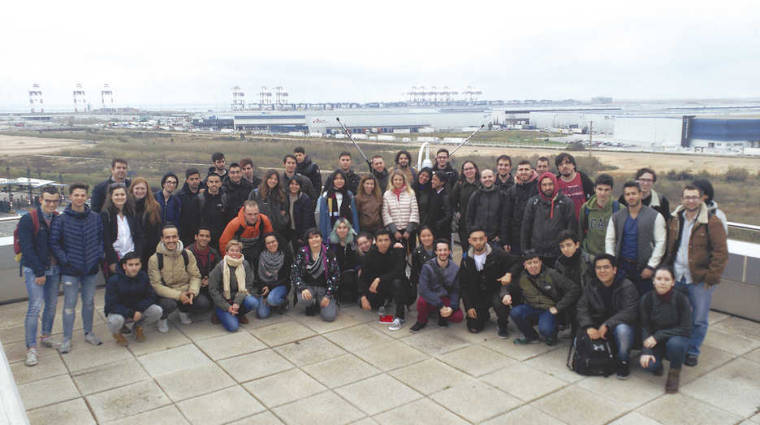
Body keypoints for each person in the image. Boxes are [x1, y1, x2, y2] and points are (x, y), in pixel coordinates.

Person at [664, 184, 728, 367]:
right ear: (682, 199)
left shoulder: (712, 221)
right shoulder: (676, 218)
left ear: (701, 199)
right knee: (676, 315)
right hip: (677, 276)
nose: (690, 200)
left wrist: (711, 278)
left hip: (699, 279)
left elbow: (721, 253)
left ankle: (692, 351)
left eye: (694, 197)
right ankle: (677, 348)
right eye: (687, 197)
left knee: (698, 318)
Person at [49, 183, 104, 353]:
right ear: (70, 197)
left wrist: (97, 256)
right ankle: (67, 338)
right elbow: (54, 242)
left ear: (86, 197)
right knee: (69, 305)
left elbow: (101, 239)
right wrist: (66, 260)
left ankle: (88, 332)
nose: (80, 198)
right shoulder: (61, 219)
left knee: (88, 303)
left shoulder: (95, 217)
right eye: (76, 195)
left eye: (82, 195)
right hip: (70, 270)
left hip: (90, 269)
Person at [576, 254, 639, 379]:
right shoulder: (592, 285)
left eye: (606, 267)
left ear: (614, 269)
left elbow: (630, 311)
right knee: (577, 341)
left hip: (618, 326)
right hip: (598, 325)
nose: (602, 271)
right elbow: (581, 307)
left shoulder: (627, 286)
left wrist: (608, 324)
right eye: (598, 268)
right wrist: (589, 326)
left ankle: (623, 361)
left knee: (623, 330)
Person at [19, 186, 61, 366]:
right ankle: (31, 348)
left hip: (54, 269)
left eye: (54, 201)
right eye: (47, 200)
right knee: (35, 307)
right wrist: (39, 271)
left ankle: (46, 336)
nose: (51, 204)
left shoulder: (58, 218)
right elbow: (27, 248)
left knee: (51, 306)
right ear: (40, 200)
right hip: (36, 270)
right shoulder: (28, 219)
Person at [605, 181, 667, 296]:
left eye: (633, 193)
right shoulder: (616, 216)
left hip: (644, 268)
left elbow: (661, 243)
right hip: (621, 267)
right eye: (627, 194)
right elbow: (610, 241)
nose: (631, 197)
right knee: (622, 300)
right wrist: (611, 263)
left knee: (644, 302)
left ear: (640, 194)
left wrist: (651, 266)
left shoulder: (655, 216)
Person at [507, 250, 579, 346]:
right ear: (524, 265)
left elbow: (574, 289)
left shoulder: (552, 274)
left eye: (536, 262)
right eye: (529, 263)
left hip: (549, 309)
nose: (533, 266)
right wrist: (505, 294)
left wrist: (558, 307)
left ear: (540, 262)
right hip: (531, 307)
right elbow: (507, 285)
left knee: (546, 330)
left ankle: (552, 333)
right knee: (515, 312)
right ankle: (531, 336)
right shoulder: (521, 276)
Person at [639, 266, 692, 393]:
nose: (662, 282)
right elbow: (645, 326)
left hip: (676, 337)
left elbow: (686, 328)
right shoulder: (647, 299)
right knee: (649, 365)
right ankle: (658, 364)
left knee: (676, 345)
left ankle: (674, 373)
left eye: (667, 279)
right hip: (656, 340)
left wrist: (658, 335)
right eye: (659, 278)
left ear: (673, 282)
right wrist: (646, 351)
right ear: (653, 281)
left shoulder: (681, 299)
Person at [149, 225, 208, 332]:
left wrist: (193, 292)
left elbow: (195, 276)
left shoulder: (187, 254)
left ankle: (183, 311)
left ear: (178, 237)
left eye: (174, 237)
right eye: (167, 237)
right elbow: (156, 285)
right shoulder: (155, 259)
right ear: (162, 239)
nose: (171, 240)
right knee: (168, 304)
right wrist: (178, 295)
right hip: (167, 293)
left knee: (203, 303)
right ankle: (163, 318)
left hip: (185, 289)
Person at [459, 228, 514, 336]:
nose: (478, 242)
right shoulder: (466, 259)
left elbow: (516, 262)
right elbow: (463, 285)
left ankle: (503, 324)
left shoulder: (497, 253)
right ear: (469, 241)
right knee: (474, 327)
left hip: (495, 290)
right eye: (474, 239)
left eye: (481, 239)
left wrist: (509, 274)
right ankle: (484, 314)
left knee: (501, 303)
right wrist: (468, 307)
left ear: (486, 239)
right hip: (478, 294)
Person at [105, 252, 163, 346]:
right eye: (130, 265)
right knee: (115, 321)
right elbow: (111, 305)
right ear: (124, 266)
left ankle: (137, 328)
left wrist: (139, 310)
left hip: (137, 309)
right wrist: (131, 313)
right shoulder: (114, 281)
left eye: (137, 264)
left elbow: (151, 296)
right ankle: (117, 333)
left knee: (157, 311)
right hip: (120, 311)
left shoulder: (143, 276)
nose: (134, 268)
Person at [521, 172, 577, 265]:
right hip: (537, 252)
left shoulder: (566, 203)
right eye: (544, 185)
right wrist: (525, 251)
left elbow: (571, 228)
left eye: (550, 184)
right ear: (540, 186)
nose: (547, 188)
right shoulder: (533, 202)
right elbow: (526, 228)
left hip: (559, 252)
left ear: (555, 184)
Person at [359, 230, 410, 330]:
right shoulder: (371, 254)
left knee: (397, 282)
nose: (383, 243)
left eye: (386, 240)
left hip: (398, 284)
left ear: (390, 241)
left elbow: (399, 272)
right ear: (376, 242)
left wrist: (379, 279)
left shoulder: (398, 251)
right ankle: (383, 302)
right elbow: (363, 276)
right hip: (381, 286)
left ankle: (400, 317)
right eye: (380, 240)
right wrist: (363, 296)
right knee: (363, 303)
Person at [411, 239, 464, 331]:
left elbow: (456, 290)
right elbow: (423, 289)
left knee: (458, 317)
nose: (443, 253)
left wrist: (451, 307)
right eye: (440, 250)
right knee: (421, 302)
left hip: (444, 296)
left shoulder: (455, 268)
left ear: (449, 251)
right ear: (435, 252)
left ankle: (442, 315)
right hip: (431, 297)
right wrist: (440, 305)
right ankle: (421, 321)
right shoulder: (427, 267)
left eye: (445, 250)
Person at [208, 240, 258, 331]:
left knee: (253, 302)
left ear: (240, 252)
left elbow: (248, 285)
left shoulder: (245, 264)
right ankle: (219, 313)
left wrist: (237, 303)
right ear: (227, 252)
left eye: (237, 250)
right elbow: (213, 289)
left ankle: (239, 314)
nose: (234, 253)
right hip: (223, 300)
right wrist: (227, 307)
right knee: (233, 327)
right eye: (232, 250)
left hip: (238, 297)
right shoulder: (220, 266)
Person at [291, 228, 340, 322]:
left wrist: (328, 296)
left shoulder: (329, 252)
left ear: (321, 238)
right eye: (311, 238)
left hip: (324, 288)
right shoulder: (302, 252)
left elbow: (336, 275)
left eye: (317, 236)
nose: (314, 239)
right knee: (303, 299)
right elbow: (295, 271)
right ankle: (311, 304)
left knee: (329, 317)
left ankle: (320, 302)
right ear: (307, 241)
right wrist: (302, 288)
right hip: (308, 287)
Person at [101, 183, 144, 278]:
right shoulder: (106, 215)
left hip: (132, 257)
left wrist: (137, 256)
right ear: (111, 197)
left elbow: (138, 236)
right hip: (116, 257)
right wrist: (112, 261)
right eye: (116, 195)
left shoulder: (131, 213)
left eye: (122, 194)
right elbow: (106, 240)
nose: (119, 197)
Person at [553, 230, 590, 335]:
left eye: (569, 245)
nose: (565, 249)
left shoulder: (588, 260)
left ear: (577, 245)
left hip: (585, 298)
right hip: (569, 298)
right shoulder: (559, 263)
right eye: (562, 246)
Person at [578, 174, 618, 258]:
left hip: (610, 255)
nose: (603, 193)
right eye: (600, 189)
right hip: (590, 254)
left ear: (611, 190)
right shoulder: (586, 208)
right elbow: (580, 231)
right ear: (594, 189)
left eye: (606, 190)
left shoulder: (619, 209)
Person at [503, 160, 538, 255]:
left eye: (526, 169)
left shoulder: (539, 188)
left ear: (532, 171)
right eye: (521, 169)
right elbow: (506, 216)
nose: (523, 172)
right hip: (515, 237)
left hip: (535, 236)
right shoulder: (511, 191)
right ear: (517, 172)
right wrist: (506, 240)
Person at [466, 169, 508, 248]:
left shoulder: (502, 195)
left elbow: (505, 218)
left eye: (490, 177)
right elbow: (469, 217)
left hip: (495, 240)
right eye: (484, 177)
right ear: (481, 180)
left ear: (494, 178)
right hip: (478, 238)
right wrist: (472, 233)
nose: (487, 179)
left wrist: (500, 236)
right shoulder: (475, 195)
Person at [255, 233, 292, 318]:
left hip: (281, 285)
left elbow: (286, 277)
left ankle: (283, 302)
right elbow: (257, 276)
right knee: (262, 314)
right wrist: (263, 286)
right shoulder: (260, 256)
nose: (271, 244)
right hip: (265, 287)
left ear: (278, 242)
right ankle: (270, 301)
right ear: (265, 245)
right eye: (268, 243)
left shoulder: (285, 255)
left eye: (273, 241)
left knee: (272, 300)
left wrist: (270, 287)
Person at [187, 226, 221, 317]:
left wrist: (210, 279)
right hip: (192, 286)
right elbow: (183, 273)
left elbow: (219, 269)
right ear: (196, 237)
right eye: (201, 235)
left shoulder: (213, 252)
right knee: (203, 304)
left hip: (208, 283)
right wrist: (198, 281)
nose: (204, 238)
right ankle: (187, 309)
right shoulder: (187, 252)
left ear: (210, 238)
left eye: (207, 236)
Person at [316, 170, 360, 240]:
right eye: (336, 179)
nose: (339, 181)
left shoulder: (349, 195)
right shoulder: (326, 196)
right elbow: (323, 218)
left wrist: (356, 232)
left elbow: (354, 215)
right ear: (332, 180)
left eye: (341, 178)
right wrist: (324, 237)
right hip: (330, 231)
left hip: (347, 232)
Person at [129, 177, 162, 267]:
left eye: (143, 188)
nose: (140, 191)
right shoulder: (127, 207)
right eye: (137, 188)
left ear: (147, 190)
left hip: (149, 249)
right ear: (132, 189)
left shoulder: (155, 207)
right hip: (131, 248)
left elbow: (158, 230)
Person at [382, 170, 420, 248]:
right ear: (392, 181)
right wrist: (394, 231)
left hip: (409, 230)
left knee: (410, 253)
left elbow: (414, 211)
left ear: (404, 181)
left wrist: (408, 230)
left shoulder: (410, 193)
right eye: (396, 180)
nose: (398, 182)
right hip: (394, 231)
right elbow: (385, 213)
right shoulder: (387, 194)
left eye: (400, 180)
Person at [450, 160, 480, 253]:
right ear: (463, 172)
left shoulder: (481, 184)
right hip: (464, 224)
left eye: (471, 168)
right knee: (466, 250)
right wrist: (457, 212)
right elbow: (452, 202)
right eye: (466, 169)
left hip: (479, 223)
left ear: (475, 169)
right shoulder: (459, 185)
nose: (468, 171)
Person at [329, 218, 361, 303]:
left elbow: (357, 258)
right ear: (336, 229)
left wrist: (359, 269)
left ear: (348, 229)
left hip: (351, 270)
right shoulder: (331, 241)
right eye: (339, 228)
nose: (342, 230)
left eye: (344, 227)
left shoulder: (353, 240)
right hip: (336, 271)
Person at [250, 169, 290, 236]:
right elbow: (249, 210)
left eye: (275, 179)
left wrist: (282, 221)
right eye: (270, 178)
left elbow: (285, 210)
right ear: (266, 179)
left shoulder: (282, 194)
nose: (273, 181)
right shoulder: (255, 193)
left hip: (278, 231)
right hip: (260, 230)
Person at [554, 152, 594, 218]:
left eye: (567, 163)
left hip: (582, 221)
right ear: (558, 168)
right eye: (561, 164)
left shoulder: (583, 178)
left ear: (573, 165)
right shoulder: (555, 182)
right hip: (563, 223)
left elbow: (594, 196)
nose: (564, 166)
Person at [197, 172, 226, 250]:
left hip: (220, 236)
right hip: (204, 237)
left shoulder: (225, 198)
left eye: (216, 182)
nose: (214, 184)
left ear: (220, 183)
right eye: (211, 182)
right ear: (207, 183)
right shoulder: (200, 198)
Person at [286, 177, 316, 251]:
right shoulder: (285, 197)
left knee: (302, 252)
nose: (294, 186)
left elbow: (307, 219)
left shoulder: (304, 199)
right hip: (289, 230)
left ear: (300, 186)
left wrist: (303, 236)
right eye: (292, 184)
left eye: (297, 184)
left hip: (300, 232)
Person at [177, 168, 203, 246]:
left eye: (196, 179)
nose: (194, 181)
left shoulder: (205, 194)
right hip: (184, 234)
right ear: (187, 180)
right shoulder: (180, 196)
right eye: (192, 179)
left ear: (200, 179)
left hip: (201, 233)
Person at [410, 226, 436, 299]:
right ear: (419, 238)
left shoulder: (440, 249)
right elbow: (415, 271)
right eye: (423, 236)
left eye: (429, 236)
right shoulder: (416, 252)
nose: (426, 238)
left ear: (433, 236)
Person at [426, 171, 452, 240]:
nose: (432, 181)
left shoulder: (445, 196)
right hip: (432, 229)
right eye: (432, 179)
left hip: (442, 231)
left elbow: (448, 215)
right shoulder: (433, 193)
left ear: (442, 182)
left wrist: (438, 224)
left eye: (435, 180)